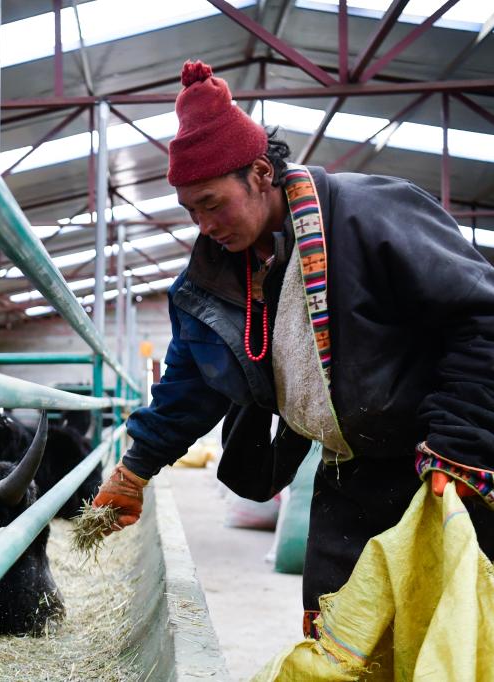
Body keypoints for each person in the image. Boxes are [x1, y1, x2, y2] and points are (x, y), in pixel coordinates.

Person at [92, 59, 494, 637]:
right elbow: (193, 378)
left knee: (452, 634)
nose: (203, 225)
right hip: (346, 474)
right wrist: (134, 471)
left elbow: (480, 316)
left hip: (438, 465)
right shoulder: (216, 276)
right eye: (190, 211)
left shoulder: (370, 214)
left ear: (260, 173)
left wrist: (457, 445)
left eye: (212, 203)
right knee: (343, 637)